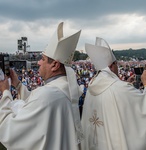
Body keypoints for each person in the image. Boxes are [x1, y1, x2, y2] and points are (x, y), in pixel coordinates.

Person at [0, 22, 83, 150]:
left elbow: (7, 129)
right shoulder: (67, 89)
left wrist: (5, 92)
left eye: (43, 59)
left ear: (55, 65)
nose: (38, 62)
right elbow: (36, 104)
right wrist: (17, 85)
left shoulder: (47, 95)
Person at [81, 37, 146, 150]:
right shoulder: (120, 88)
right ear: (111, 65)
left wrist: (124, 84)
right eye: (116, 64)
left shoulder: (91, 87)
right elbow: (145, 108)